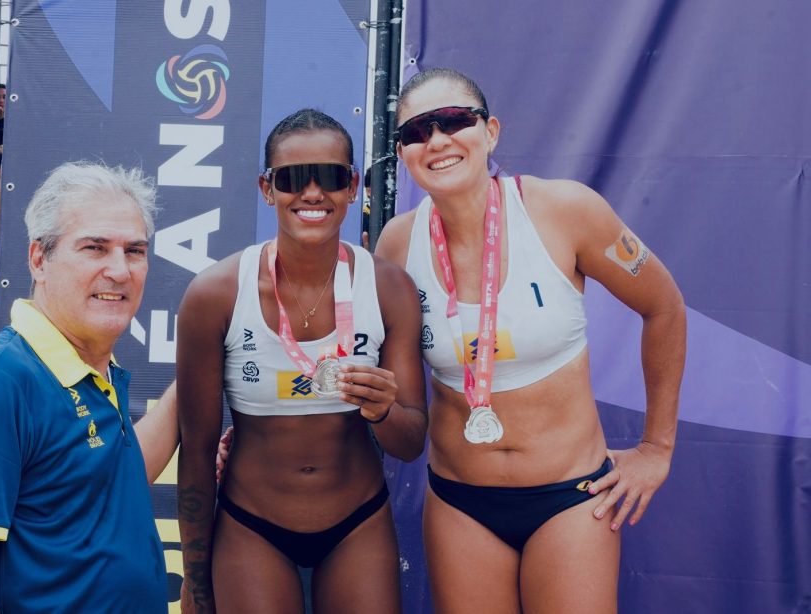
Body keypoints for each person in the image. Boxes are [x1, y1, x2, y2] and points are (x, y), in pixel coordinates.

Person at [374, 68, 686, 613]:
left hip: (571, 497)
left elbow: (663, 308)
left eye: (453, 121)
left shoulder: (565, 211)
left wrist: (656, 449)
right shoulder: (398, 245)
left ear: (490, 131)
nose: (438, 141)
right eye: (417, 131)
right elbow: (363, 366)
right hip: (461, 503)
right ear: (403, 154)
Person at [177, 109, 427, 613]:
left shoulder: (388, 286)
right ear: (267, 189)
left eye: (331, 177)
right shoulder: (217, 294)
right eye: (292, 179)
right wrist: (197, 580)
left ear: (352, 185)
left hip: (358, 521)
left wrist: (383, 410)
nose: (312, 193)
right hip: (252, 526)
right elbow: (197, 451)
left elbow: (410, 440)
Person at [0, 161, 180, 612]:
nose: (120, 269)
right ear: (39, 259)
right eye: (94, 247)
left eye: (134, 251)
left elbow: (115, 477)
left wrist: (191, 378)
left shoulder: (88, 367)